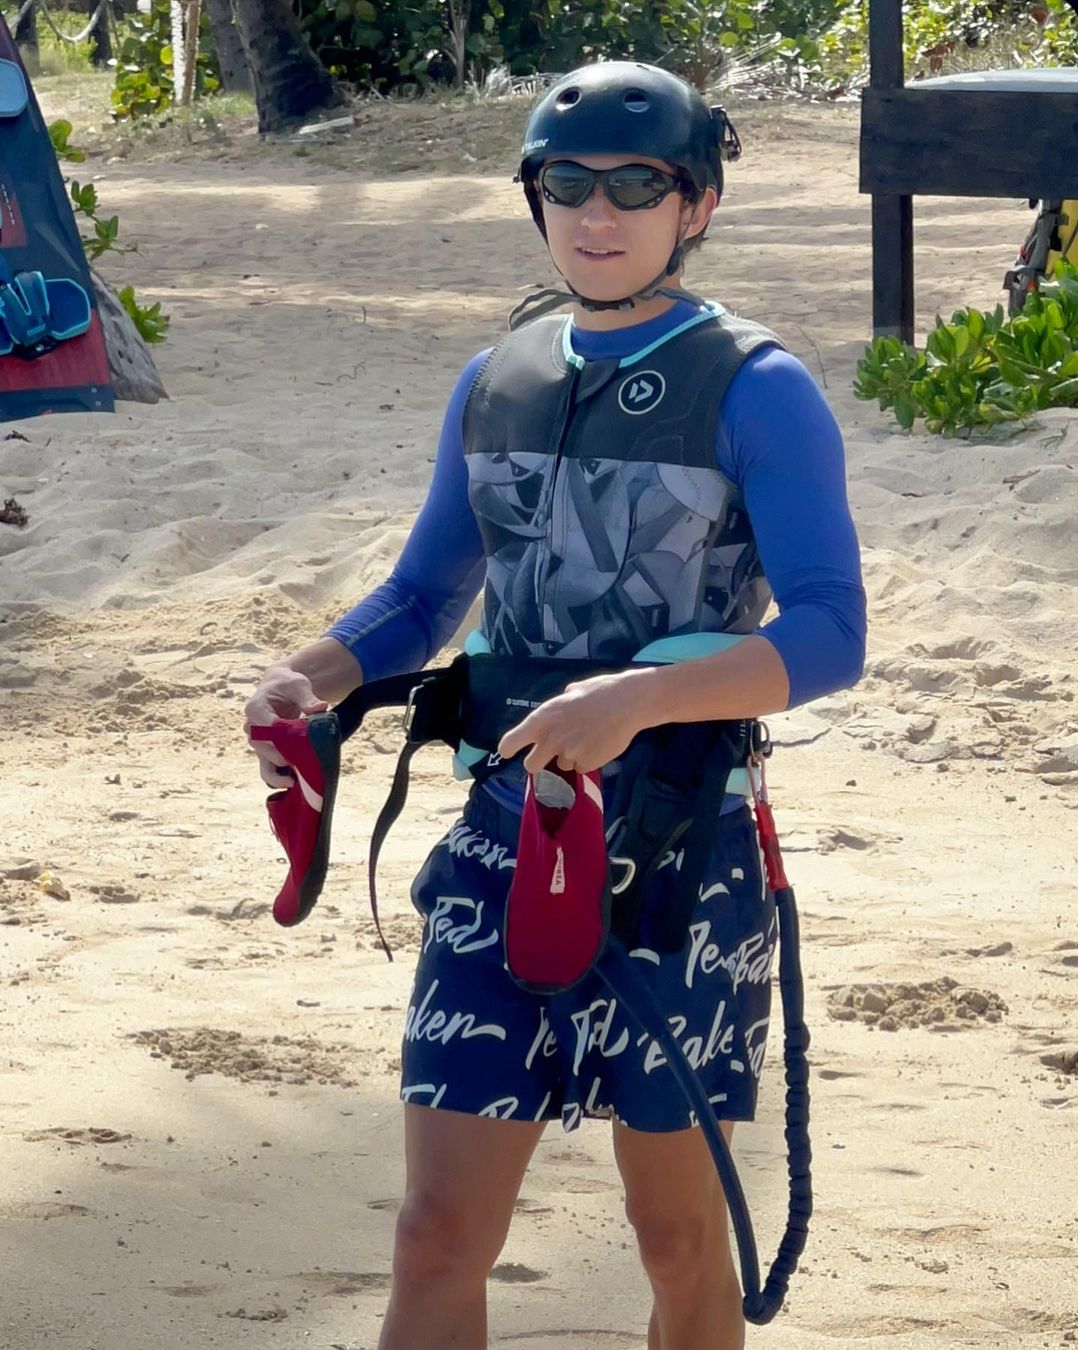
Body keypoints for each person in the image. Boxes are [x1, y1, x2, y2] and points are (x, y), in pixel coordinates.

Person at [245, 61, 866, 1350]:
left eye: (638, 186)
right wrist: (317, 671)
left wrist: (637, 701)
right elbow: (425, 593)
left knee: (677, 1240)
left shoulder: (759, 386)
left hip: (681, 850)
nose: (598, 212)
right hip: (503, 831)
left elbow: (828, 631)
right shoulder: (496, 378)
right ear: (536, 198)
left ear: (696, 206)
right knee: (435, 1235)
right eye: (568, 183)